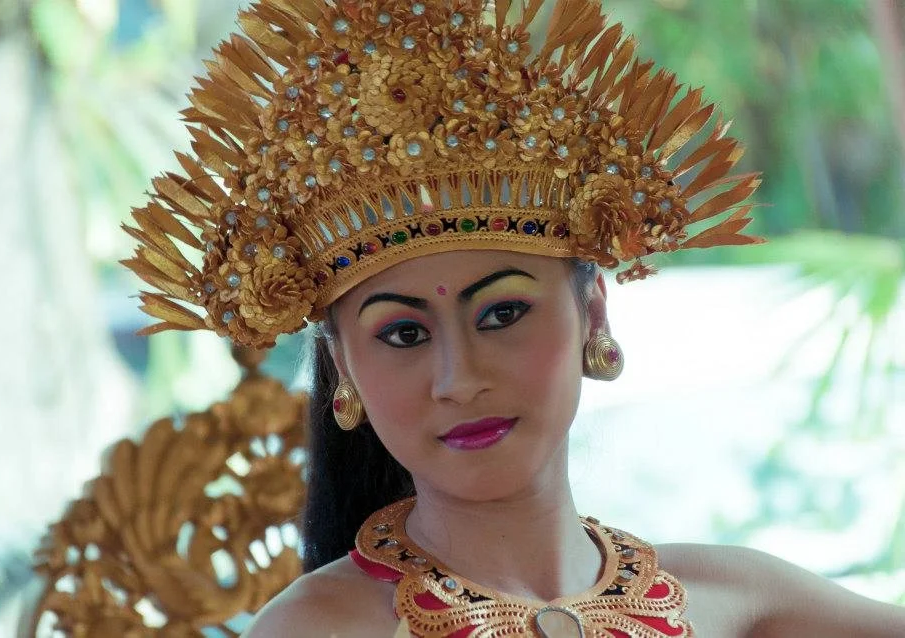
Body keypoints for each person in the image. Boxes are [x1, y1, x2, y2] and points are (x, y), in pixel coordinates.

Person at [121, 0, 905, 635]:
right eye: (402, 334)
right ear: (344, 368)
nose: (459, 379)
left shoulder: (741, 600)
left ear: (592, 311)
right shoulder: (319, 631)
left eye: (501, 314)